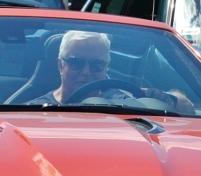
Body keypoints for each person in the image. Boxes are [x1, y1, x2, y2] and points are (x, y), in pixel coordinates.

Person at [25, 30, 190, 113]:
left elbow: (188, 108)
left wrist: (166, 99)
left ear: (106, 67)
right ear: (61, 65)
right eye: (76, 63)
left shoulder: (123, 101)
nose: (86, 72)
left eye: (96, 65)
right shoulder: (34, 111)